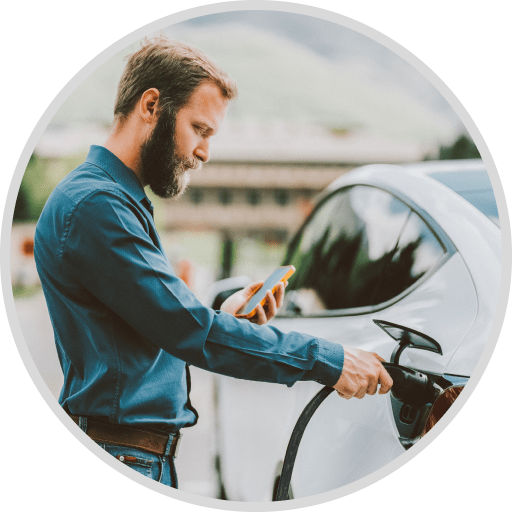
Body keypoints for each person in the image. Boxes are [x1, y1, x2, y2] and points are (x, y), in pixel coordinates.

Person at [34, 36, 393, 489]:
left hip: (129, 454)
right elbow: (186, 329)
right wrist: (331, 360)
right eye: (200, 129)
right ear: (151, 106)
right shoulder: (96, 207)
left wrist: (220, 315)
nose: (204, 152)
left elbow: (152, 326)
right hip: (124, 455)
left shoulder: (109, 200)